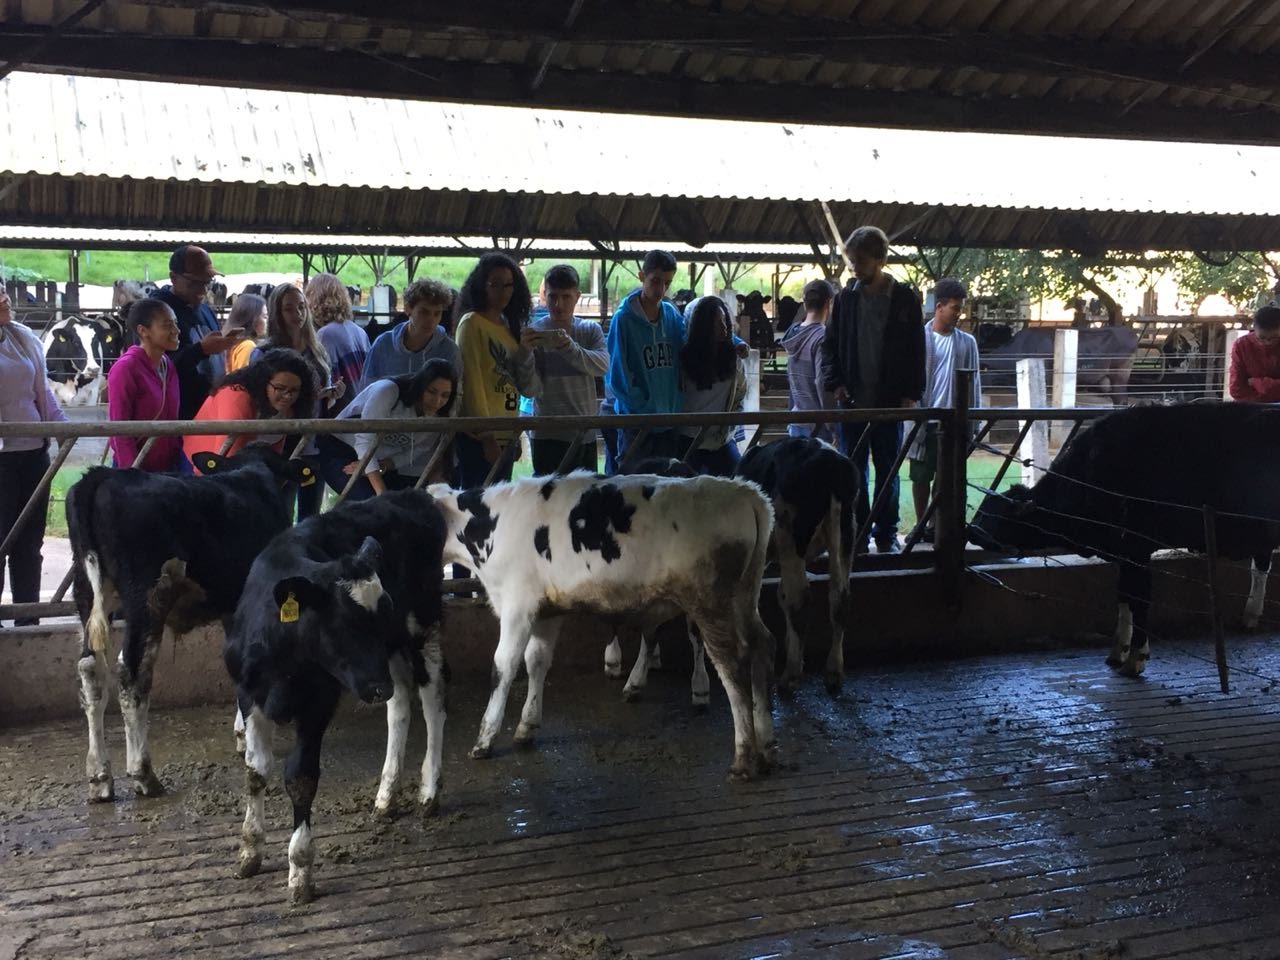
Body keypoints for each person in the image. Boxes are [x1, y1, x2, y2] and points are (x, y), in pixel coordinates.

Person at [820, 225, 925, 554]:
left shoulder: (904, 299)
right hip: (852, 401)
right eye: (853, 261)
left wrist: (911, 392)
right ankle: (858, 531)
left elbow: (916, 350)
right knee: (853, 470)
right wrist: (836, 382)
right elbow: (830, 345)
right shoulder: (845, 299)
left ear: (880, 259)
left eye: (861, 261)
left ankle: (886, 532)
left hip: (889, 401)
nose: (855, 267)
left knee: (887, 469)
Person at [0, 287, 68, 626]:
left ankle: (28, 622)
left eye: (2, 289)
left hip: (32, 454)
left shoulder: (23, 336)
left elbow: (42, 393)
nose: (4, 296)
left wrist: (63, 427)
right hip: (2, 459)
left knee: (29, 544)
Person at [453, 252, 541, 486]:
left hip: (506, 431)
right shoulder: (471, 323)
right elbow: (472, 381)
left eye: (509, 285)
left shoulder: (508, 326)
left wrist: (514, 433)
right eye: (495, 284)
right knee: (480, 499)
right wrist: (486, 435)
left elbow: (519, 383)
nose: (503, 292)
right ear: (482, 286)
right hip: (481, 436)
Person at [257, 282, 343, 519]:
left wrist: (332, 394)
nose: (298, 313)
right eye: (288, 308)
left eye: (302, 307)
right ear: (277, 313)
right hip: (280, 442)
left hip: (314, 440)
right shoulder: (265, 353)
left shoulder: (317, 350)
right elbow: (259, 400)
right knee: (280, 510)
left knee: (311, 513)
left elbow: (324, 393)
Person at [317, 358, 457, 499]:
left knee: (402, 502)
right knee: (371, 501)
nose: (437, 401)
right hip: (342, 450)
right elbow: (365, 440)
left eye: (445, 395)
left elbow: (418, 449)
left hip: (380, 462)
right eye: (431, 392)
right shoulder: (388, 391)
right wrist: (381, 493)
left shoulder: (440, 416)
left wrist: (381, 466)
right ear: (421, 386)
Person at [907, 278, 982, 539]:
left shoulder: (967, 343)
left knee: (946, 478)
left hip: (953, 421)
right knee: (920, 476)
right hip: (925, 420)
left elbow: (974, 384)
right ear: (939, 306)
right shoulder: (918, 339)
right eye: (955, 308)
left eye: (960, 308)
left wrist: (974, 422)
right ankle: (920, 523)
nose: (959, 313)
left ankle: (936, 526)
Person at [604, 249, 685, 464]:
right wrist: (643, 407)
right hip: (637, 422)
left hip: (668, 419)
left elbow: (692, 338)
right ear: (642, 276)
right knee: (634, 478)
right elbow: (618, 375)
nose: (661, 289)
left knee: (667, 479)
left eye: (667, 283)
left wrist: (734, 341)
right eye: (655, 281)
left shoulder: (671, 315)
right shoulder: (623, 320)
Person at [526, 264, 608, 475]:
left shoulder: (590, 329)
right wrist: (524, 354)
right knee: (550, 493)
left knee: (585, 493)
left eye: (565, 297)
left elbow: (602, 365)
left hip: (583, 432)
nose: (558, 304)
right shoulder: (535, 333)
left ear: (577, 296)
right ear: (544, 295)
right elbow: (529, 388)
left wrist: (569, 348)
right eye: (553, 296)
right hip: (547, 432)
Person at [182, 348, 316, 467]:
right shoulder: (236, 396)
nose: (287, 396)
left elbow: (273, 455)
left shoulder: (286, 407)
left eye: (294, 390)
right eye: (280, 388)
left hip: (244, 470)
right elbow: (227, 460)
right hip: (198, 468)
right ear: (263, 381)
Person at [156, 244, 244, 419]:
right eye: (195, 282)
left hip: (211, 408)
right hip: (177, 415)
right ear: (173, 277)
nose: (203, 290)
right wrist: (201, 350)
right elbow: (157, 367)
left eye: (208, 282)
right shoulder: (157, 312)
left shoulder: (205, 310)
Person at [106, 298, 187, 473]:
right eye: (167, 325)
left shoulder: (167, 365)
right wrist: (133, 474)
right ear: (143, 331)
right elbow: (119, 428)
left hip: (170, 466)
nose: (176, 330)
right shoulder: (125, 368)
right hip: (138, 469)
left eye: (175, 323)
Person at [678, 296, 747, 476]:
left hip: (720, 439)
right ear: (703, 326)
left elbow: (740, 392)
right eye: (716, 323)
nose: (723, 328)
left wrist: (731, 422)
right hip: (688, 437)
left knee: (737, 480)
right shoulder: (684, 360)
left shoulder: (733, 359)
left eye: (724, 321)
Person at [359, 278, 461, 388]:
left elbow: (456, 393)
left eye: (437, 314)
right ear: (408, 308)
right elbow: (366, 389)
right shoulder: (383, 345)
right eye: (424, 312)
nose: (431, 320)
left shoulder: (449, 350)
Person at [782, 278, 836, 441]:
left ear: (805, 304)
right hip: (818, 425)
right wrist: (831, 423)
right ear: (828, 303)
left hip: (796, 419)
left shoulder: (793, 335)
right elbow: (821, 382)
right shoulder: (822, 337)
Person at [309, 272, 368, 410]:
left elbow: (326, 384)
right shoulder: (360, 332)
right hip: (362, 411)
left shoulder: (326, 334)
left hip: (342, 415)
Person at [1228, 301, 1280, 402]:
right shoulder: (1241, 345)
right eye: (1262, 338)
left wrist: (1257, 382)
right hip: (1250, 405)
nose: (1268, 342)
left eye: (1275, 338)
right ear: (1253, 329)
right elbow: (1236, 389)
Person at [224, 292, 267, 373]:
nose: (267, 321)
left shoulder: (231, 342)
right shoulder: (247, 346)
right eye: (264, 316)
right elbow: (244, 378)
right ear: (253, 319)